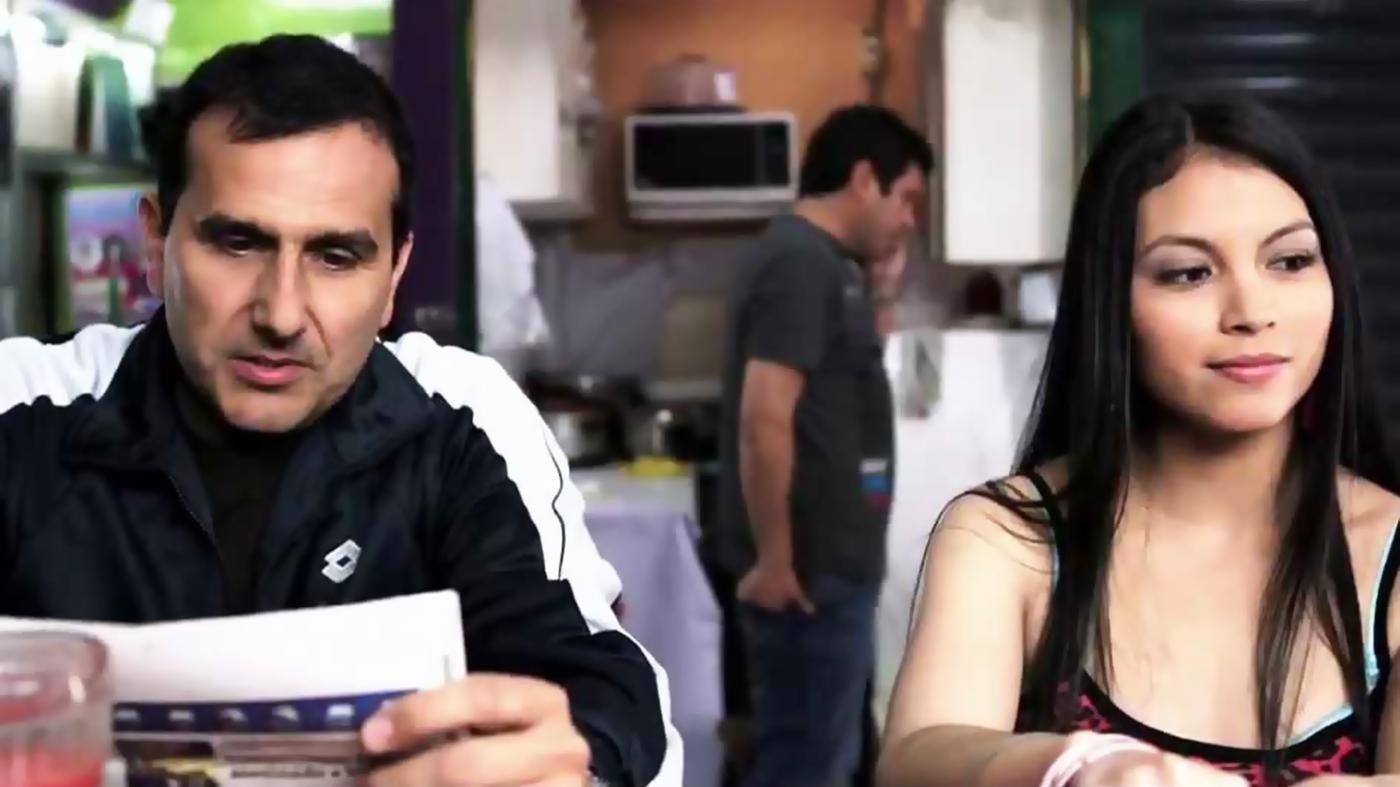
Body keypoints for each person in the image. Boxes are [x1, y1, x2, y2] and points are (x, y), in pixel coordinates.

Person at [0, 35, 679, 787]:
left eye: (335, 257)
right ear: (156, 240)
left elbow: (595, 681)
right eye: (237, 243)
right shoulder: (22, 402)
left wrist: (573, 760)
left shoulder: (460, 419)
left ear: (394, 275)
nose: (282, 314)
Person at [879, 94, 1400, 787]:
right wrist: (1082, 765)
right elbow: (916, 758)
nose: (1252, 312)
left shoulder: (1391, 548)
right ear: (1110, 301)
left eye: (1289, 260)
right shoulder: (1009, 537)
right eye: (1189, 272)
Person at [716, 104, 933, 787]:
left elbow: (848, 380)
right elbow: (764, 416)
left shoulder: (829, 266)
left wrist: (883, 292)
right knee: (806, 767)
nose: (909, 220)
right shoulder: (799, 263)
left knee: (828, 757)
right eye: (906, 199)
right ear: (864, 180)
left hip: (830, 568)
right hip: (806, 577)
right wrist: (776, 560)